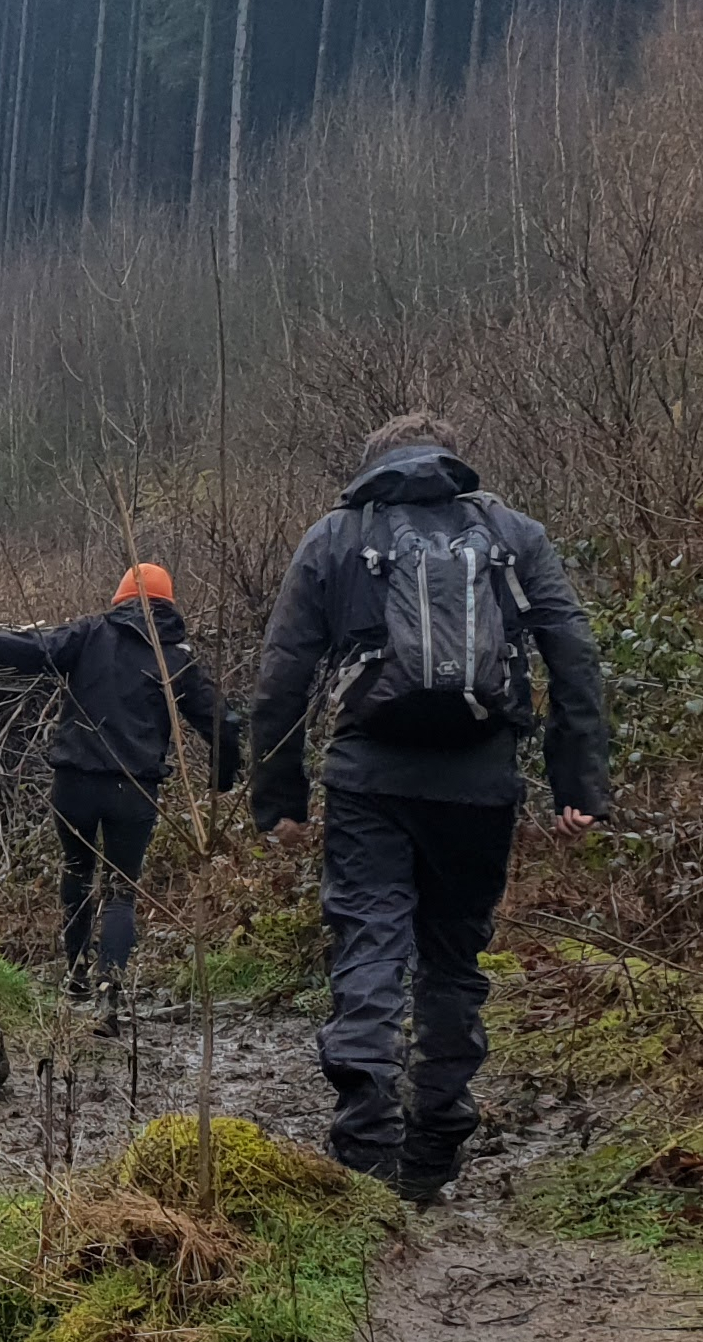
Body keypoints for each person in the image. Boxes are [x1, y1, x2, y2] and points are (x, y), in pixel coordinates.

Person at [247, 412, 611, 1202]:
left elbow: (282, 674)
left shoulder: (336, 537)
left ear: (372, 463)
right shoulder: (512, 533)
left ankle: (365, 1142)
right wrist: (579, 784)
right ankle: (435, 1143)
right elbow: (572, 654)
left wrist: (278, 798)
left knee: (368, 944)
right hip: (479, 783)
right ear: (450, 458)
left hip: (368, 780)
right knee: (452, 958)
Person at [0, 563, 239, 1018]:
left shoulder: (89, 634)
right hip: (134, 791)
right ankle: (110, 991)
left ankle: (75, 979)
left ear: (121, 600)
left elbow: (25, 648)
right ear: (167, 606)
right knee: (121, 890)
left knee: (76, 877)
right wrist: (221, 777)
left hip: (75, 784)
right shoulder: (177, 660)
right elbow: (222, 724)